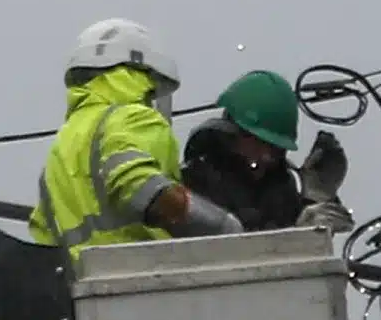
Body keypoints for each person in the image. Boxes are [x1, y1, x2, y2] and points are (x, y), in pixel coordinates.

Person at [29, 18, 245, 260]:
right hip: (140, 278)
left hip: (82, 288)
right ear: (136, 72)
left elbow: (43, 232)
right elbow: (138, 184)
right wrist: (223, 226)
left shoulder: (63, 144)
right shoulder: (130, 117)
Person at [182, 69, 354, 233]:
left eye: (275, 148)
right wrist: (300, 236)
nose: (266, 156)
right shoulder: (195, 186)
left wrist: (315, 198)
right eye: (257, 143)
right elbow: (221, 253)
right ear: (230, 134)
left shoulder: (280, 187)